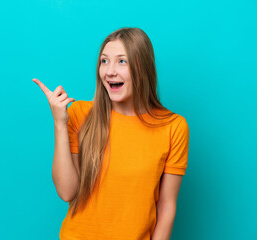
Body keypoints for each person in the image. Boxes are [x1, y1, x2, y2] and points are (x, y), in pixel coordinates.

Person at [33, 27, 189, 240]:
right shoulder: (80, 114)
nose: (109, 71)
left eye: (121, 61)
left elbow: (167, 207)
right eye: (104, 61)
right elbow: (66, 192)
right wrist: (60, 124)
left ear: (143, 68)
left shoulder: (173, 127)